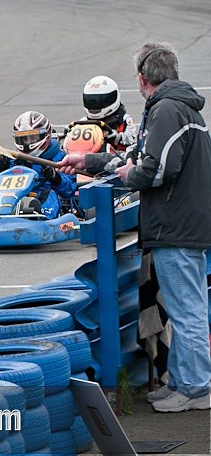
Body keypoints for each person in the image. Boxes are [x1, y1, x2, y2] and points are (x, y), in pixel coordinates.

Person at [57, 42, 211, 413]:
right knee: (183, 307)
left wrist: (131, 174)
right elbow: (136, 158)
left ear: (142, 78)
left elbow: (156, 168)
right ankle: (182, 381)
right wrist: (89, 160)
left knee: (187, 310)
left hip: (177, 226)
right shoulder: (179, 107)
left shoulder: (168, 110)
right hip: (181, 224)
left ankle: (196, 388)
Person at [0, 111, 77, 219]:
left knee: (49, 193)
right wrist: (0, 170)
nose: (28, 143)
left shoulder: (60, 158)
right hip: (11, 201)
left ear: (46, 134)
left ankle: (40, 217)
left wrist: (55, 178)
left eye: (32, 138)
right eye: (24, 139)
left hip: (42, 201)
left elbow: (70, 190)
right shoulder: (12, 158)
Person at [76, 75, 137, 153]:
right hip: (86, 158)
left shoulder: (125, 120)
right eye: (91, 101)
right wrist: (69, 133)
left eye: (99, 101)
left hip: (116, 159)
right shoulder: (83, 122)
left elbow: (130, 140)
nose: (95, 105)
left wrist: (115, 137)